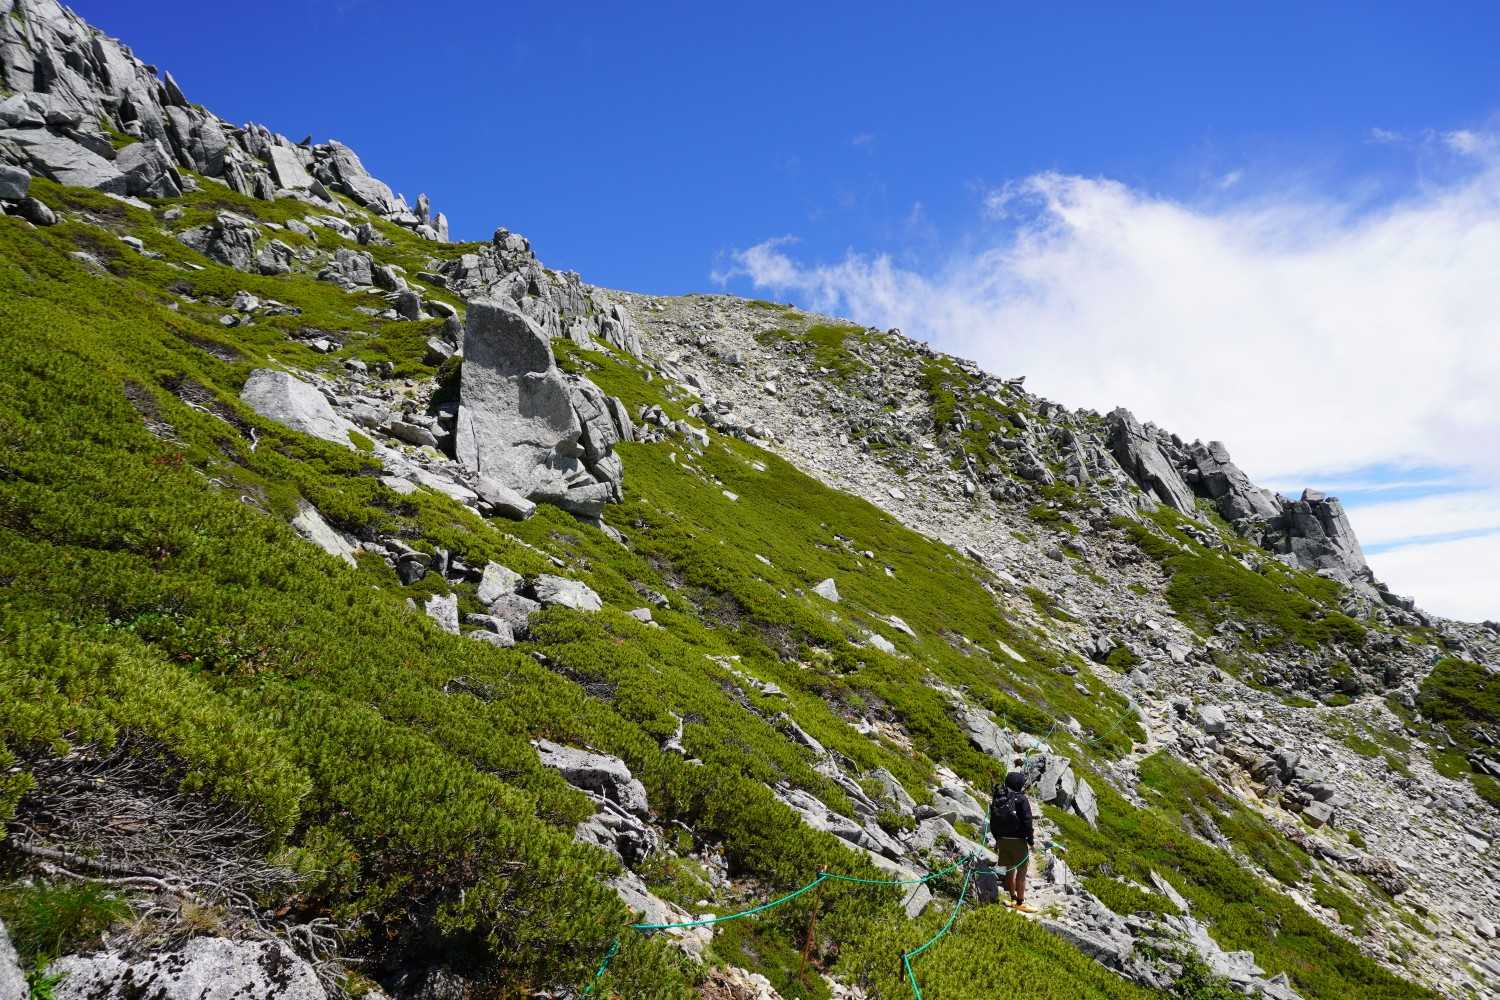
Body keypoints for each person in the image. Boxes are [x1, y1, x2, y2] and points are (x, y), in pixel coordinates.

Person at [989, 767, 1036, 912]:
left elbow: (993, 820)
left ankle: (1012, 897)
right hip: (1018, 840)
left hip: (1002, 839)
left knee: (1009, 869)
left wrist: (997, 839)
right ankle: (1020, 903)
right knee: (1021, 872)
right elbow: (1027, 821)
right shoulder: (1021, 799)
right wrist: (1030, 840)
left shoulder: (999, 797)